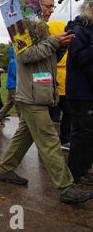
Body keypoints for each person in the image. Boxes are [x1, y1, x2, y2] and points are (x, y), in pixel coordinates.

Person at [0, 0, 92, 204]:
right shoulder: (20, 28)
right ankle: (66, 187)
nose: (51, 10)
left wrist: (62, 46)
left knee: (24, 136)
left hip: (41, 92)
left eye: (52, 6)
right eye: (48, 6)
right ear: (36, 5)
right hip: (30, 95)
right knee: (49, 140)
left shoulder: (42, 29)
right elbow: (25, 56)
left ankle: (5, 169)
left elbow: (48, 57)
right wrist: (55, 42)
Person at [65, 0, 93, 186]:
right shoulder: (78, 29)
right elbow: (77, 58)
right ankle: (76, 172)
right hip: (81, 90)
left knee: (89, 132)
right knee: (82, 132)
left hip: (89, 89)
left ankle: (85, 168)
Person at [48, 20, 71, 151]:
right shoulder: (51, 47)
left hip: (64, 85)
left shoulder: (65, 47)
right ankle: (51, 142)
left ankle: (64, 138)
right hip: (53, 85)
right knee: (51, 115)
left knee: (68, 113)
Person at [0, 45, 20, 125]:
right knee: (18, 103)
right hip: (13, 86)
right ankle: (22, 120)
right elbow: (15, 75)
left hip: (12, 85)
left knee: (9, 103)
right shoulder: (14, 62)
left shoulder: (14, 61)